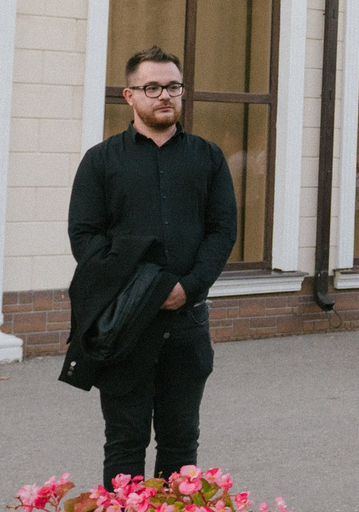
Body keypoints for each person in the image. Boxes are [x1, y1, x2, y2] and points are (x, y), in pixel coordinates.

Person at [69, 46, 238, 489]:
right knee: (124, 443)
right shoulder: (101, 161)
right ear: (129, 95)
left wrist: (190, 286)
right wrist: (143, 287)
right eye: (153, 87)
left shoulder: (207, 157)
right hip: (125, 327)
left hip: (187, 323)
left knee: (181, 444)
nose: (165, 96)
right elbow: (85, 238)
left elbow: (222, 231)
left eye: (173, 87)